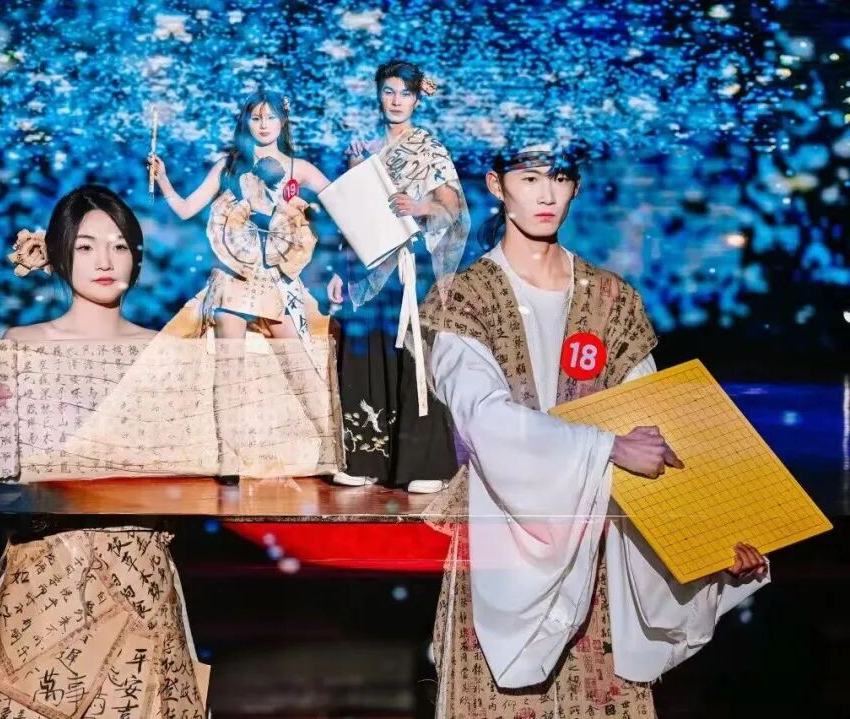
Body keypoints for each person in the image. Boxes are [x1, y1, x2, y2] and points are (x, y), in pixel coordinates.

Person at [421, 144, 770, 717]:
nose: (545, 193)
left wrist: (715, 541)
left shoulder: (613, 301)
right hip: (500, 542)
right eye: (528, 178)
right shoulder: (464, 298)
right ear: (496, 185)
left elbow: (656, 433)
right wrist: (607, 447)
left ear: (577, 186)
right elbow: (484, 419)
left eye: (559, 177)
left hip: (603, 551)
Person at [0, 185, 207, 718]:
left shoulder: (163, 352)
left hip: (137, 566)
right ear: (58, 254)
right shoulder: (22, 345)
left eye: (119, 246)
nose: (105, 261)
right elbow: (14, 468)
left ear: (136, 257)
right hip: (48, 569)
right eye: (86, 246)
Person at [148, 90, 333, 485]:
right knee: (229, 368)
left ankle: (333, 448)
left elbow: (338, 201)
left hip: (277, 280)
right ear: (246, 121)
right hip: (233, 278)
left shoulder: (300, 168)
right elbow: (187, 208)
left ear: (283, 121)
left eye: (271, 117)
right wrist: (163, 180)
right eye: (256, 117)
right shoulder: (230, 165)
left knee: (299, 366)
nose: (264, 125)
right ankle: (228, 459)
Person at [327, 59, 469, 493]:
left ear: (417, 99)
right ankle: (365, 458)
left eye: (405, 93)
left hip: (409, 267)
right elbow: (349, 215)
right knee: (364, 356)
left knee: (413, 359)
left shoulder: (429, 148)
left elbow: (453, 207)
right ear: (378, 94)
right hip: (368, 267)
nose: (395, 101)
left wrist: (419, 206)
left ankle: (422, 463)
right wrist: (338, 269)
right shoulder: (364, 147)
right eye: (388, 91)